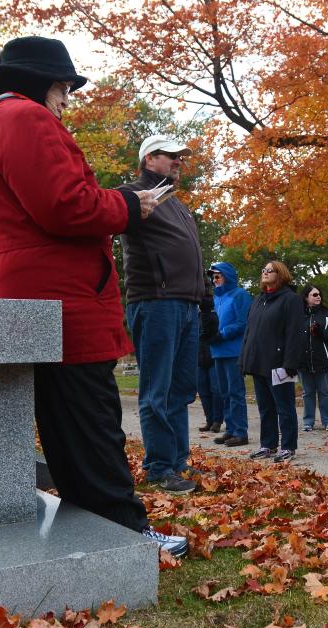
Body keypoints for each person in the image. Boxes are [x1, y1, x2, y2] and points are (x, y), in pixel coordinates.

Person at [0, 36, 186, 556]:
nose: (66, 99)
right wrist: (130, 205)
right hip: (61, 295)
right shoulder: (24, 118)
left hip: (27, 289)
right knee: (92, 419)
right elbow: (65, 205)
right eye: (64, 87)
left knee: (65, 422)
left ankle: (92, 525)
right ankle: (125, 533)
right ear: (41, 83)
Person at [121, 133, 204, 495]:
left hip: (187, 304)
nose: (178, 162)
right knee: (157, 389)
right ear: (149, 158)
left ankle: (177, 462)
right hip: (155, 301)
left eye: (180, 157)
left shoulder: (176, 203)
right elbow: (110, 221)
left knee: (181, 389)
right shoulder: (136, 194)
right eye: (171, 156)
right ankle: (158, 468)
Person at [239, 261, 305, 463]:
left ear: (281, 274)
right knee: (265, 407)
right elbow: (249, 331)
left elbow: (295, 333)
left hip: (279, 364)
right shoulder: (258, 300)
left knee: (284, 406)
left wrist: (290, 363)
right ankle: (268, 445)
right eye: (263, 270)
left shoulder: (291, 300)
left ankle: (288, 447)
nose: (265, 273)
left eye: (270, 270)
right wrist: (244, 359)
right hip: (258, 362)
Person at [208, 262, 252, 446]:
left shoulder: (240, 295)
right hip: (217, 351)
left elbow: (243, 322)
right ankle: (230, 429)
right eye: (213, 277)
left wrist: (222, 333)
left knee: (235, 392)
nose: (215, 279)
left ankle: (241, 432)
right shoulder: (215, 299)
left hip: (233, 350)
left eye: (218, 275)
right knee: (223, 392)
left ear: (228, 276)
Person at [298, 285, 328, 432]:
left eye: (319, 294)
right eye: (314, 294)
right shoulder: (298, 315)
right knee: (307, 393)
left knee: (325, 392)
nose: (318, 297)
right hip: (303, 362)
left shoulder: (327, 314)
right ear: (306, 297)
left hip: (323, 361)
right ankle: (308, 422)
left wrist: (321, 333)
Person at [196, 279, 223, 434]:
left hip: (213, 355)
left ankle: (218, 420)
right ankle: (209, 419)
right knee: (204, 391)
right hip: (199, 357)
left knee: (215, 389)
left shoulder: (213, 310)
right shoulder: (194, 313)